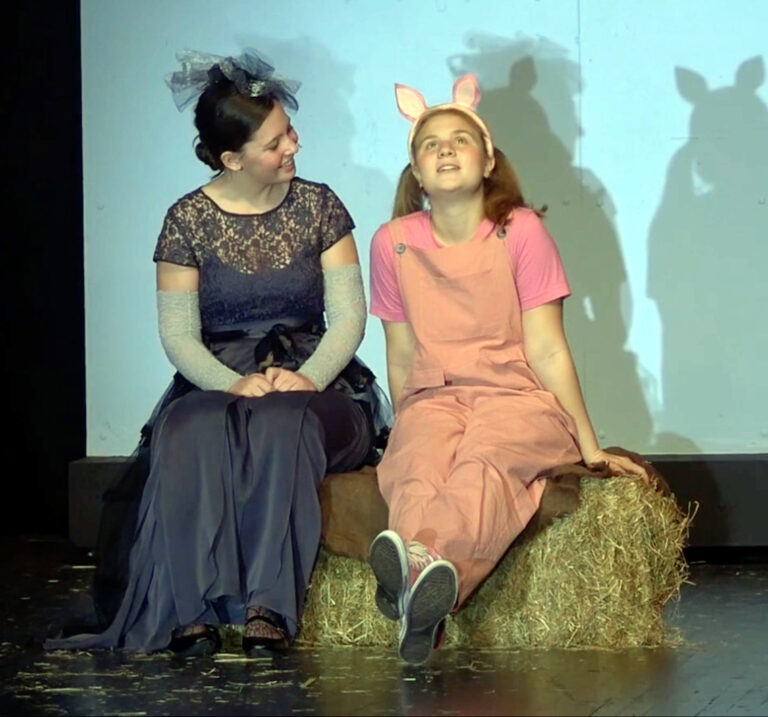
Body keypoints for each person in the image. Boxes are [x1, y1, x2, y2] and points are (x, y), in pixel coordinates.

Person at [46, 49, 390, 656]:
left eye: (289, 131)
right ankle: (192, 611)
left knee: (284, 423)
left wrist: (309, 378)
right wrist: (228, 384)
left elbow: (349, 317)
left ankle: (268, 607)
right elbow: (178, 334)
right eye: (276, 142)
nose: (294, 146)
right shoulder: (186, 220)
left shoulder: (320, 206)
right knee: (189, 428)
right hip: (220, 376)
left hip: (317, 379)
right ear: (233, 159)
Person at [367, 74, 648, 665]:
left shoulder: (519, 231)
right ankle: (420, 590)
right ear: (416, 172)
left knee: (483, 465)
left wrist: (589, 446)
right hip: (435, 397)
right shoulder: (392, 243)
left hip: (516, 398)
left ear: (489, 159)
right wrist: (405, 426)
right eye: (430, 144)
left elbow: (548, 349)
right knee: (415, 467)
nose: (445, 149)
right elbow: (400, 353)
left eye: (460, 139)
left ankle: (418, 575)